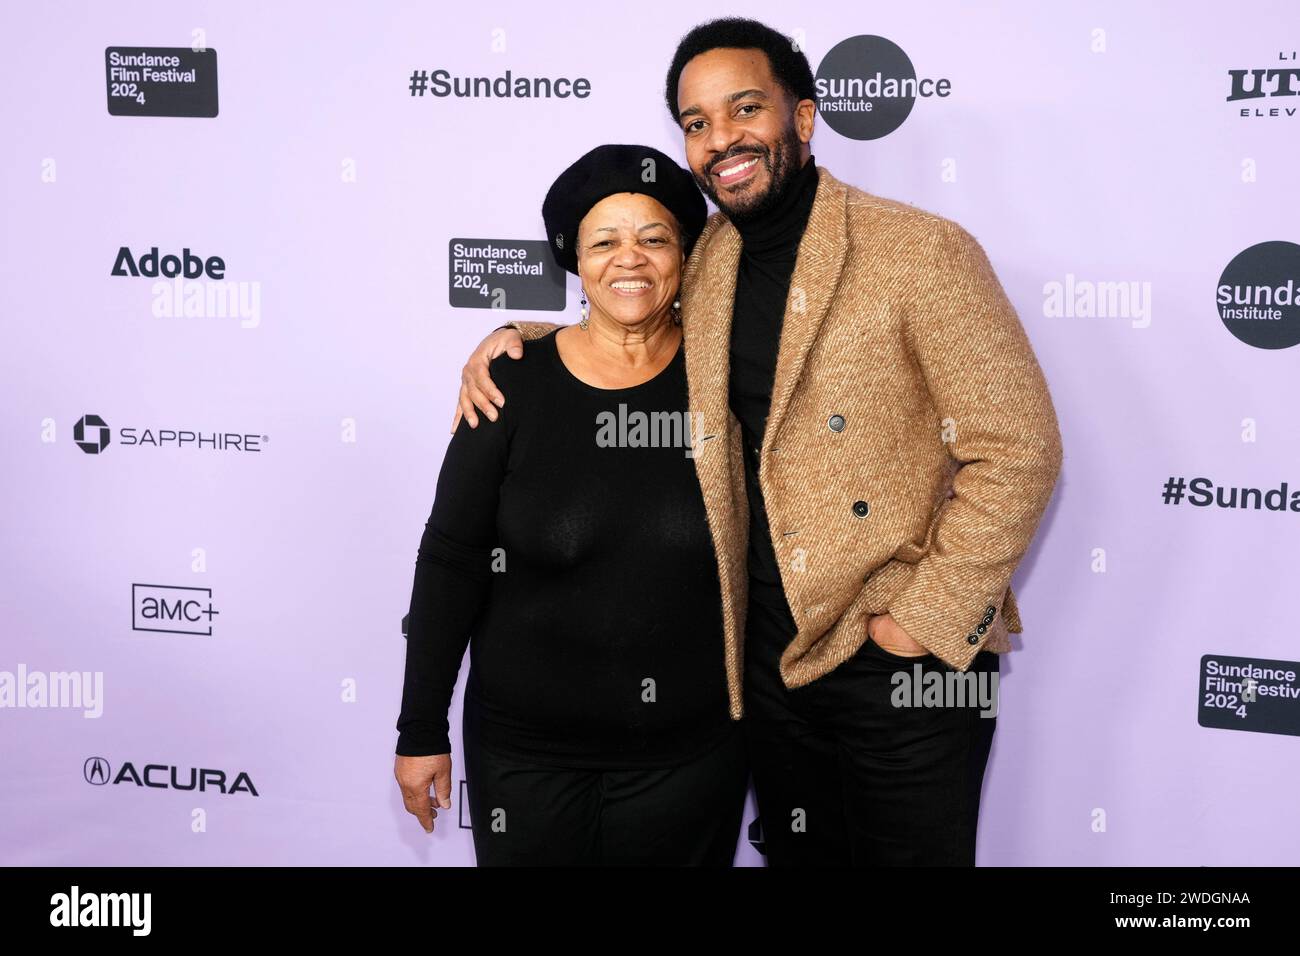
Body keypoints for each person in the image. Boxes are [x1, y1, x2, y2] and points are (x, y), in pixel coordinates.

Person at [452, 18, 1064, 866]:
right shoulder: (706, 261)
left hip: (906, 671)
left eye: (746, 109)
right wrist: (516, 339)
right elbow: (627, 309)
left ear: (803, 118)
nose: (721, 140)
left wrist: (920, 622)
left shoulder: (922, 251)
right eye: (697, 123)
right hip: (768, 671)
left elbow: (1020, 446)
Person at [393, 144, 749, 866]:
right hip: (526, 758)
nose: (631, 260)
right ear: (574, 262)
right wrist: (419, 728)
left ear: (685, 257)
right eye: (604, 241)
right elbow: (451, 560)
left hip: (687, 758)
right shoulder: (510, 386)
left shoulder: (730, 384)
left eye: (654, 239)